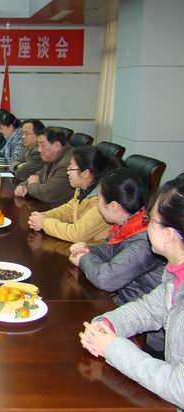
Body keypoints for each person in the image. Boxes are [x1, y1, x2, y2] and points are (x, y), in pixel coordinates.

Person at [79, 179, 184, 409]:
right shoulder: (176, 272)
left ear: (169, 235)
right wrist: (107, 324)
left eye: (149, 220)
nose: (145, 226)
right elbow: (147, 309)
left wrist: (112, 348)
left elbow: (180, 388)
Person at [70, 168, 165, 307]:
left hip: (139, 312)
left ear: (113, 206)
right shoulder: (131, 223)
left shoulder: (145, 241)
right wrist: (86, 249)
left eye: (99, 200)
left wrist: (83, 258)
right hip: (124, 302)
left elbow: (106, 279)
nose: (97, 204)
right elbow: (111, 250)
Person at [28, 146, 114, 244]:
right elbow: (70, 210)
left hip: (95, 249)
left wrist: (44, 223)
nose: (67, 172)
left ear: (85, 173)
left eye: (71, 168)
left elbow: (77, 234)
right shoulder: (83, 189)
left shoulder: (102, 201)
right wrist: (44, 216)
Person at [14, 126, 74, 205]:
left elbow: (48, 194)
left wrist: (32, 185)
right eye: (38, 145)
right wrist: (21, 187)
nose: (39, 150)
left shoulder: (69, 164)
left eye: (42, 145)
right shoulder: (53, 157)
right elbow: (38, 176)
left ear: (57, 146)